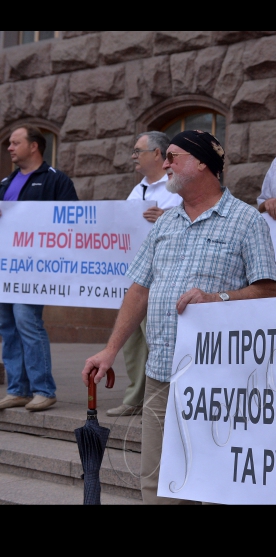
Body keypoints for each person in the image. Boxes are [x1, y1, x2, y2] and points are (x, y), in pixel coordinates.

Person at [82, 129, 276, 504]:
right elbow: (139, 289)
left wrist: (218, 298)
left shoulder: (245, 221)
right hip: (161, 376)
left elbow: (269, 291)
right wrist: (109, 352)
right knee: (157, 483)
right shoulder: (167, 223)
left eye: (173, 156)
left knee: (216, 481)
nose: (165, 163)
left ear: (203, 162)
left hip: (218, 381)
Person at [0, 126, 78, 412]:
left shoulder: (55, 180)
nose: (9, 147)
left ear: (33, 146)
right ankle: (17, 389)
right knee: (8, 327)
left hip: (35, 268)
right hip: (5, 268)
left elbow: (74, 220)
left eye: (15, 142)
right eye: (9, 143)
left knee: (27, 321)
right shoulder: (6, 182)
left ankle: (44, 389)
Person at [106, 131, 182, 418]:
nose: (134, 156)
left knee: (157, 337)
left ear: (158, 154)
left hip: (163, 274)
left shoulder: (175, 186)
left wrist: (165, 217)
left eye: (139, 150)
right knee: (133, 340)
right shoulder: (137, 190)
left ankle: (163, 399)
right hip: (134, 274)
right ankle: (135, 397)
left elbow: (193, 219)